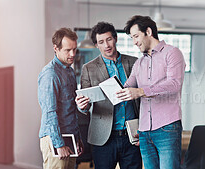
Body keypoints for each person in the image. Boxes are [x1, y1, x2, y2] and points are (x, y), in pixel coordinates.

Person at [117, 15, 186, 169]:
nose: (134, 42)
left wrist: (141, 91)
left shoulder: (172, 53)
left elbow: (174, 84)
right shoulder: (139, 63)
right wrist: (94, 95)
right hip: (144, 131)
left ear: (148, 31)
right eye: (132, 38)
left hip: (167, 128)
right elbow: (126, 88)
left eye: (136, 36)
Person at [75, 22, 142, 169]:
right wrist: (83, 106)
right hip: (104, 138)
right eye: (101, 42)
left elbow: (142, 100)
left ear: (116, 38)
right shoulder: (88, 69)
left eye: (109, 39)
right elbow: (85, 106)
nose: (106, 45)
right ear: (96, 45)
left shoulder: (134, 63)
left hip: (132, 136)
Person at [38, 27, 83, 169]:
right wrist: (59, 144)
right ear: (56, 48)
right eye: (68, 50)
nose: (72, 54)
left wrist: (77, 138)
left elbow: (70, 109)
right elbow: (50, 112)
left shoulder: (69, 71)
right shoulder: (50, 74)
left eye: (75, 49)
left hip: (70, 137)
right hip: (55, 139)